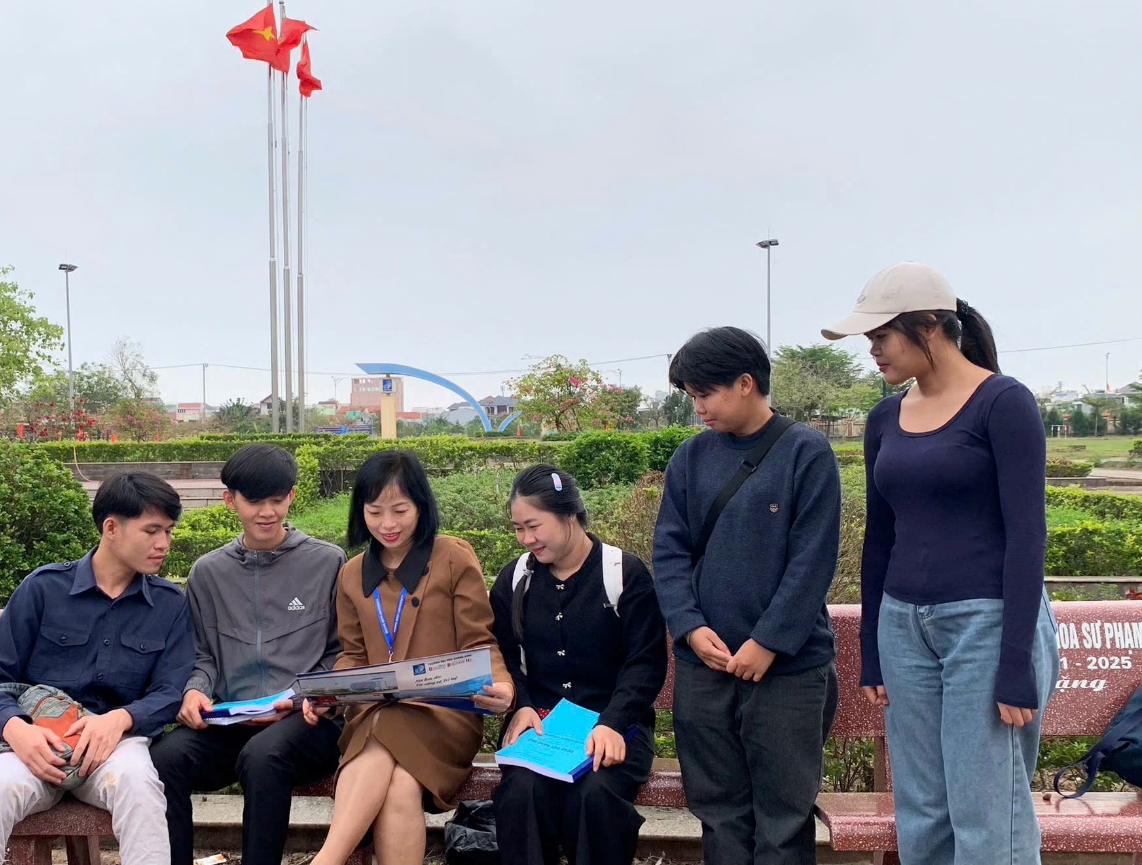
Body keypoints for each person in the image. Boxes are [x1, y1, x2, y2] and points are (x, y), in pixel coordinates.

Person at [822, 261, 1058, 864]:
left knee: (986, 809)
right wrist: (873, 647)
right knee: (922, 809)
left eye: (881, 336)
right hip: (904, 626)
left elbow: (1027, 535)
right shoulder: (884, 417)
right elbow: (880, 537)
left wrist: (1015, 663)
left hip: (987, 624)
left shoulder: (1002, 402)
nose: (872, 350)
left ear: (929, 325)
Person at [652, 326, 842, 865]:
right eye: (691, 396)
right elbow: (669, 551)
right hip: (706, 666)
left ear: (744, 383)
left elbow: (812, 561)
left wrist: (769, 642)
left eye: (705, 394)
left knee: (784, 818)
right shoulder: (690, 458)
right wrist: (689, 626)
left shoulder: (806, 452)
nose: (698, 409)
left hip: (788, 671)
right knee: (718, 811)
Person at [0, 472, 194, 864]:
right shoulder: (43, 588)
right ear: (111, 528)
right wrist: (16, 729)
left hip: (115, 747)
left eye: (168, 531)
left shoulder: (169, 604)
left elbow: (170, 691)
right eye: (151, 531)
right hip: (33, 743)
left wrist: (120, 720)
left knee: (141, 787)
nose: (163, 543)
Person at [304, 449, 514, 865]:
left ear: (421, 506)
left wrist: (501, 683)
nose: (388, 524)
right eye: (375, 511)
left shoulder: (452, 557)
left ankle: (326, 860)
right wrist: (331, 696)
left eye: (400, 510)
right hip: (375, 714)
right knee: (399, 783)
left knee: (388, 727)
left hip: (444, 715)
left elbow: (478, 639)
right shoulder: (352, 573)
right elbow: (352, 655)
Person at [151, 444, 347, 865]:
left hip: (308, 720)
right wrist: (194, 691)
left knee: (263, 756)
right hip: (232, 720)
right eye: (255, 501)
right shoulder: (208, 572)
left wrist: (296, 696)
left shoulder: (327, 562)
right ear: (230, 500)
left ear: (292, 496)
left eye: (277, 500)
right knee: (165, 758)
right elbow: (202, 654)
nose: (267, 512)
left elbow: (341, 652)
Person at [489, 463, 667, 865]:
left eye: (534, 526)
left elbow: (645, 661)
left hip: (615, 725)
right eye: (518, 528)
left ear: (569, 515)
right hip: (539, 726)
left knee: (596, 794)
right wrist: (521, 705)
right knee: (521, 792)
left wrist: (614, 721)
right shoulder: (516, 578)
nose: (526, 539)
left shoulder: (623, 573)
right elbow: (503, 656)